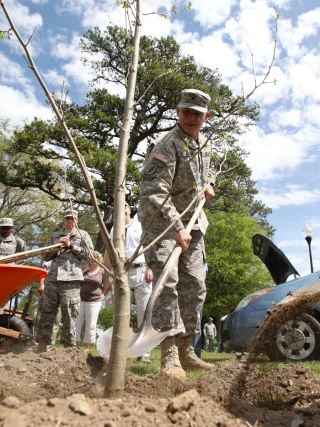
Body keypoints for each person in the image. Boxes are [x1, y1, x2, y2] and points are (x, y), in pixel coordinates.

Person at [138, 88, 217, 378]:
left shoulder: (205, 145)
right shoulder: (166, 145)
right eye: (187, 112)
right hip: (162, 223)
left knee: (195, 285)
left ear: (205, 117)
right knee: (167, 286)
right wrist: (176, 227)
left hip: (193, 225)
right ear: (177, 111)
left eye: (197, 114)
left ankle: (187, 350)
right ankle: (169, 355)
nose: (191, 118)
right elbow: (153, 192)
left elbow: (200, 179)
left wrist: (206, 188)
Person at [35, 210, 94, 352]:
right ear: (64, 220)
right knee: (47, 312)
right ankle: (43, 346)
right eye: (67, 218)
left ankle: (69, 348)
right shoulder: (55, 235)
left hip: (71, 279)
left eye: (73, 218)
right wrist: (56, 247)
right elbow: (45, 256)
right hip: (53, 279)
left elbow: (90, 254)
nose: (70, 221)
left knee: (69, 313)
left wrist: (71, 246)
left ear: (76, 220)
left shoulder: (82, 235)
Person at [102, 202, 154, 363]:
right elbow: (109, 255)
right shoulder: (113, 230)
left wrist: (151, 268)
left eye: (124, 205)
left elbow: (150, 247)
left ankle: (144, 352)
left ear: (129, 209)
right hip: (122, 273)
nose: (121, 208)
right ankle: (118, 350)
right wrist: (105, 278)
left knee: (143, 313)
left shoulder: (140, 225)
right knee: (120, 314)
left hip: (141, 271)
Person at [76, 251, 106, 352]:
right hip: (80, 300)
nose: (92, 259)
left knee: (91, 324)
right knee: (77, 322)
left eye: (95, 258)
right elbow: (76, 281)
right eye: (91, 258)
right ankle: (75, 345)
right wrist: (83, 271)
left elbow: (106, 285)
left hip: (94, 301)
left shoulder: (102, 271)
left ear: (99, 260)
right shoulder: (85, 270)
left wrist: (104, 292)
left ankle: (87, 347)